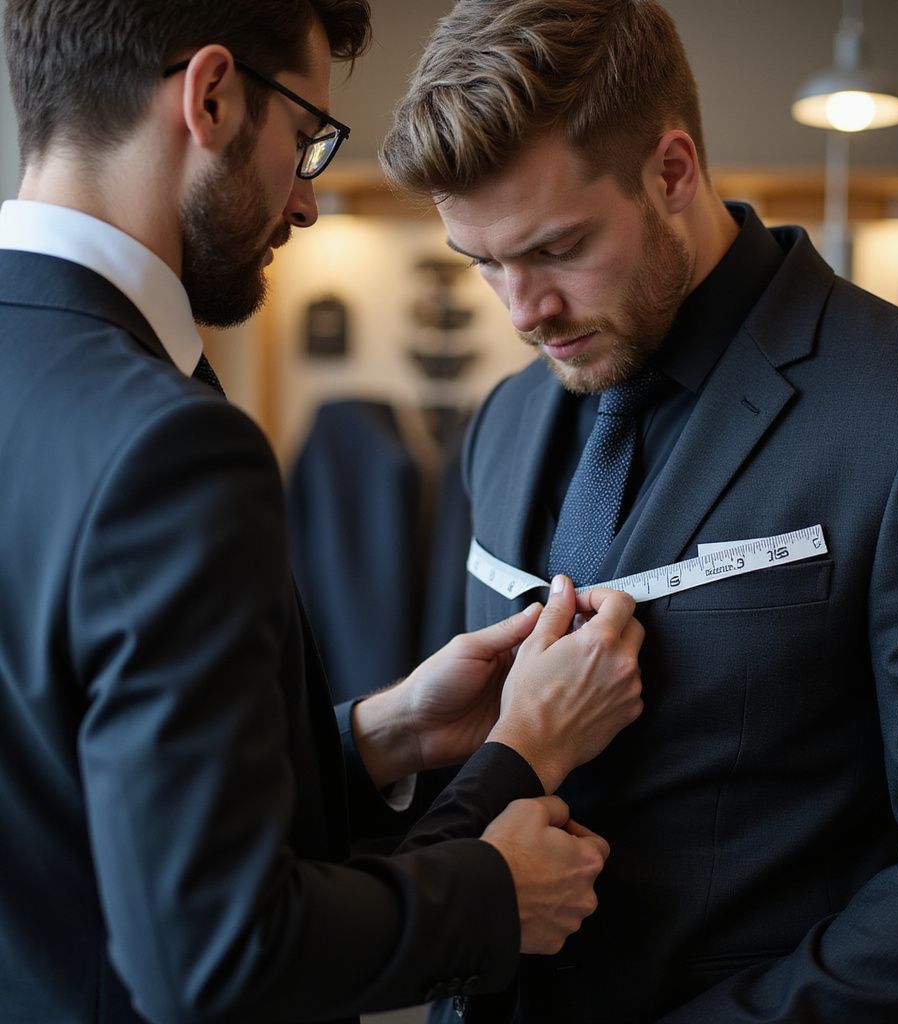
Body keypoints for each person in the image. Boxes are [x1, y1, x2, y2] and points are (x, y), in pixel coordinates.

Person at [0, 1, 647, 1021]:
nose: (305, 201)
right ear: (210, 96)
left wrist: (380, 735)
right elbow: (210, 957)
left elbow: (71, 805)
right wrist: (499, 850)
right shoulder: (167, 444)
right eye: (306, 139)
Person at [379, 1, 898, 1021]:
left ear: (672, 170)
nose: (519, 309)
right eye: (483, 263)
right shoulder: (502, 419)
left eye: (554, 247)